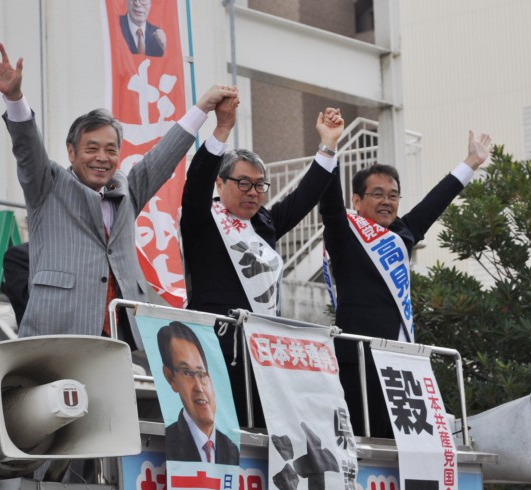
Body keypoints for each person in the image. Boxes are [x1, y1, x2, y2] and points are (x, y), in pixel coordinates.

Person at [0, 42, 237, 349]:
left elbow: (163, 157)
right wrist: (14, 97)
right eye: (91, 148)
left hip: (122, 336)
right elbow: (27, 148)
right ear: (71, 152)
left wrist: (203, 108)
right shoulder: (47, 186)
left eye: (110, 149)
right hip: (60, 333)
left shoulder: (126, 191)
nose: (102, 157)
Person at [320, 130, 493, 438]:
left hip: (402, 361)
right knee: (364, 443)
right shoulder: (343, 231)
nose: (387, 201)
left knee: (408, 445)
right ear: (356, 200)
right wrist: (328, 147)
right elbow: (330, 202)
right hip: (358, 359)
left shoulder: (402, 233)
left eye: (393, 195)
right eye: (377, 194)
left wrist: (472, 162)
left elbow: (435, 201)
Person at [180, 101, 344, 427]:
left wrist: (329, 144)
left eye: (259, 185)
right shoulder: (203, 218)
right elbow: (195, 182)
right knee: (223, 431)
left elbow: (305, 196)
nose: (252, 192)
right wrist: (222, 129)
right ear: (220, 183)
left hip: (263, 351)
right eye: (243, 183)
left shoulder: (265, 223)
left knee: (265, 432)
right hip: (214, 346)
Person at [158, 321, 239, 465]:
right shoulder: (167, 441)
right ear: (170, 376)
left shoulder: (231, 448)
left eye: (202, 374)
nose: (199, 388)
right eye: (187, 372)